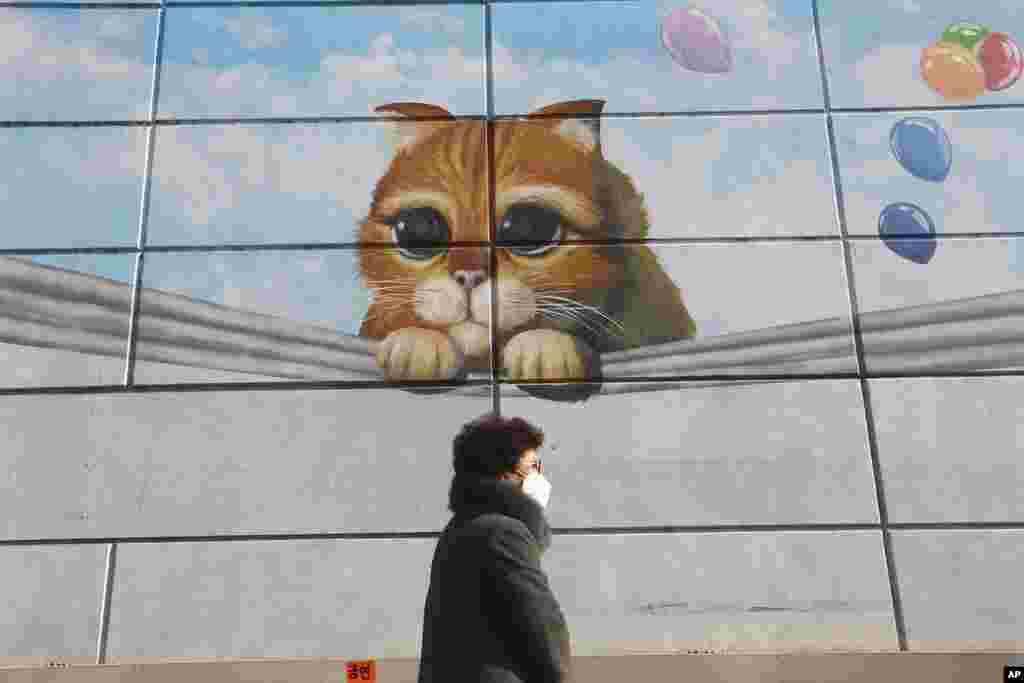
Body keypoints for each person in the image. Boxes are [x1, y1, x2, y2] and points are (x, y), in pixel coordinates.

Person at [417, 413, 573, 683]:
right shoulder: (503, 534)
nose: (540, 478)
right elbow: (542, 627)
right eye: (533, 467)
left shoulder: (462, 527)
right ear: (503, 474)